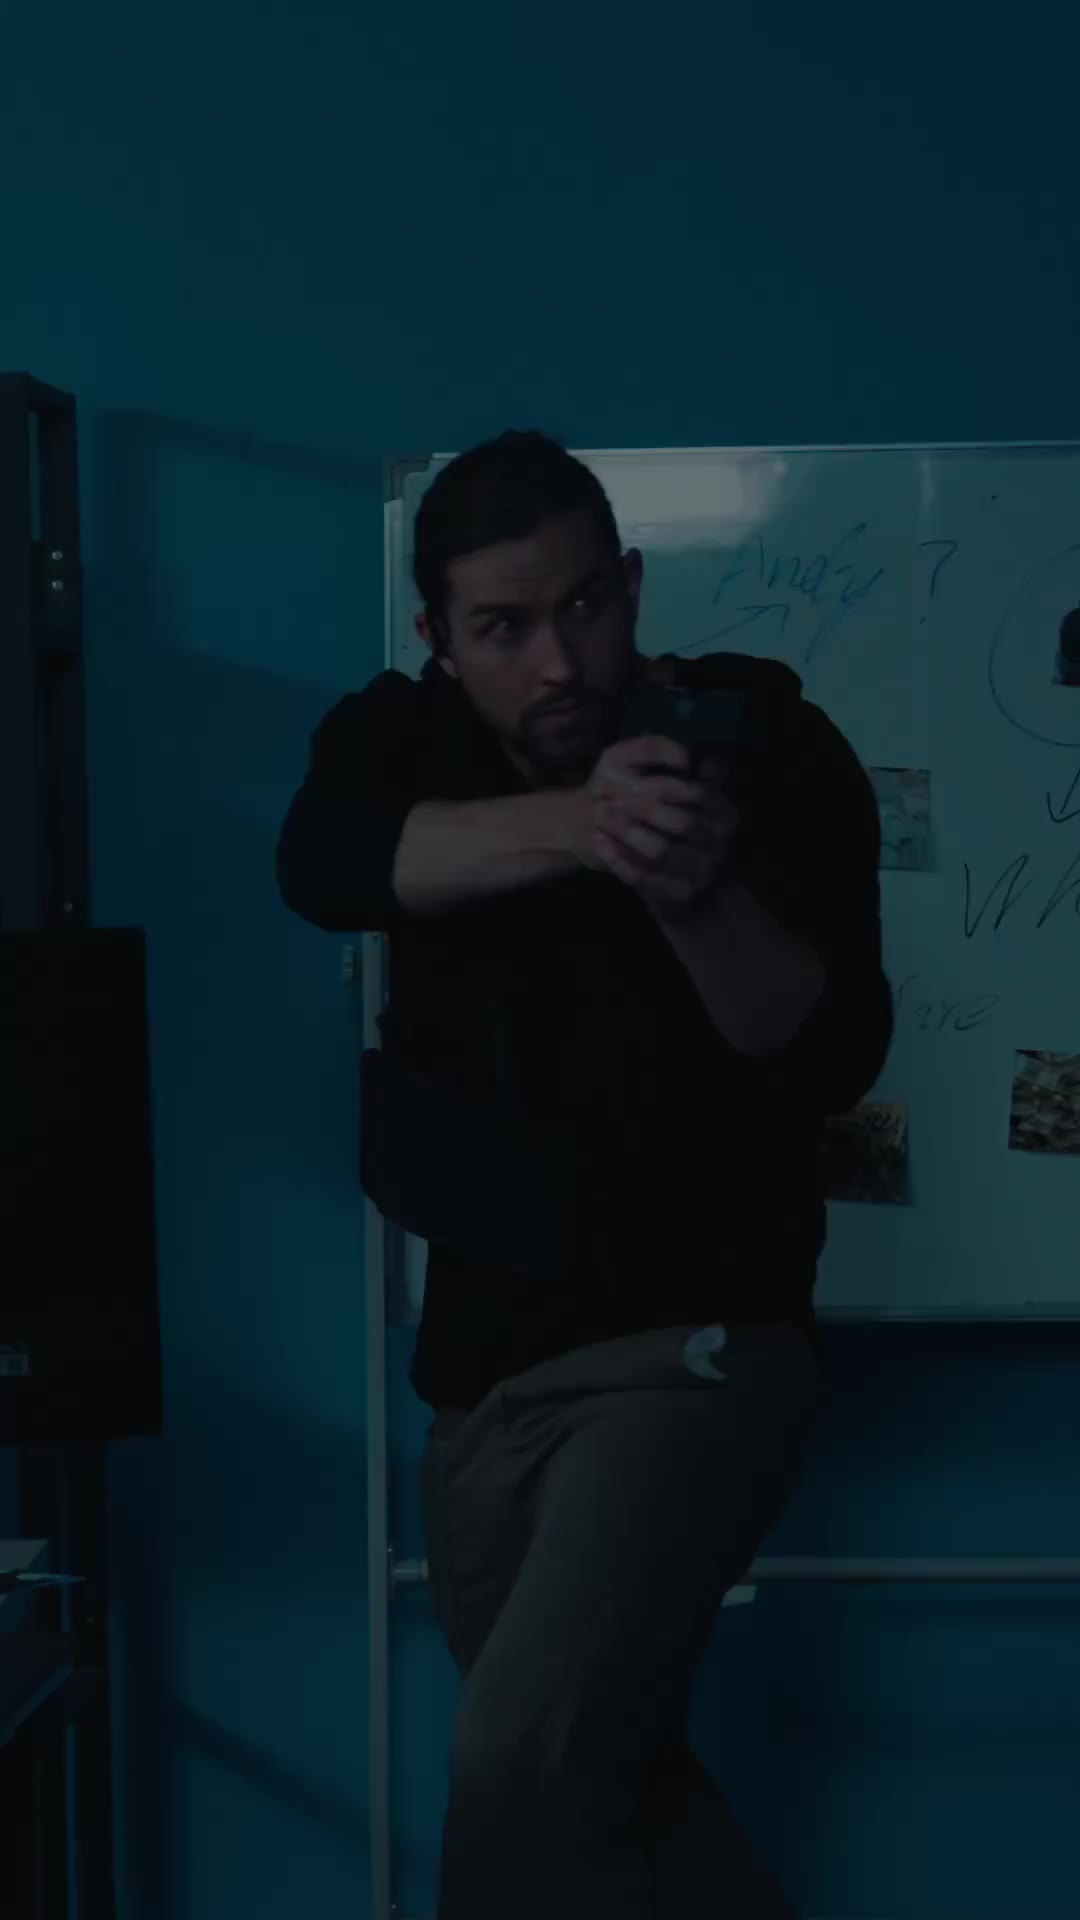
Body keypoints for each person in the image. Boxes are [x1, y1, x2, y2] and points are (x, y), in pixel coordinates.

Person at [276, 430, 894, 1920]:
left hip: (700, 1352)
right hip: (480, 1388)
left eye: (584, 608)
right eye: (503, 627)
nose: (558, 662)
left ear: (629, 585)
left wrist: (688, 887)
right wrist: (584, 824)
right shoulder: (398, 739)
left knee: (520, 1768)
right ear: (437, 637)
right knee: (610, 1799)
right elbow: (327, 865)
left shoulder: (766, 740)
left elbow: (825, 1052)